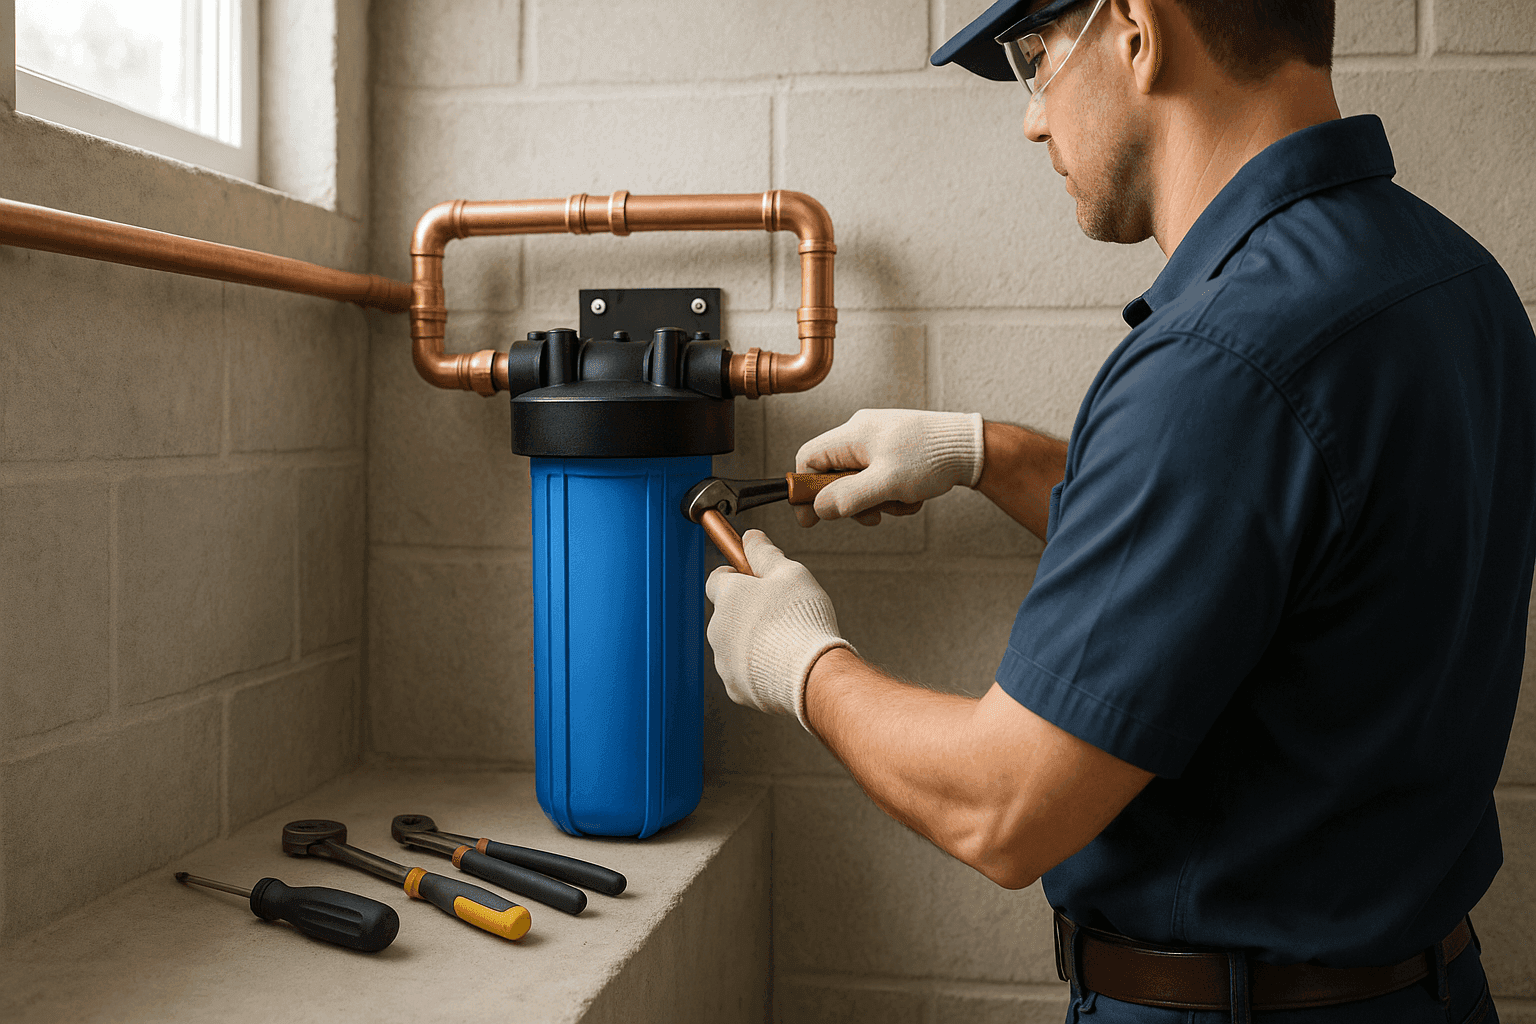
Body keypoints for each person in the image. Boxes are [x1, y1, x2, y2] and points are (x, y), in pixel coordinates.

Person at [703, 0, 1536, 1021]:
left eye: (1037, 57)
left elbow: (1003, 805)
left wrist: (799, 663)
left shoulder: (1219, 361)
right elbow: (1259, 561)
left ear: (1138, 29)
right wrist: (984, 453)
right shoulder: (1454, 280)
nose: (1033, 119)